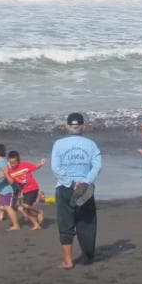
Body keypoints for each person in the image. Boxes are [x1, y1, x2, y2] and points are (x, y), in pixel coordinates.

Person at [51, 113, 103, 269]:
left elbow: (55, 168)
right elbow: (97, 166)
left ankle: (68, 260)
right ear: (83, 127)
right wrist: (85, 181)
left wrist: (71, 182)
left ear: (67, 126)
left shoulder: (59, 144)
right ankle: (88, 256)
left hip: (65, 187)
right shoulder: (91, 144)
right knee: (86, 222)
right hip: (84, 189)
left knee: (65, 223)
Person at [6, 150, 46, 230]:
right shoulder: (9, 170)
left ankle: (39, 211)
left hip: (33, 188)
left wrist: (41, 164)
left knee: (24, 206)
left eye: (14, 163)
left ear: (18, 161)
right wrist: (6, 173)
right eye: (11, 163)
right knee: (25, 210)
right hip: (24, 191)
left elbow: (35, 167)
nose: (12, 165)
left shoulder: (24, 165)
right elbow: (11, 182)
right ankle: (36, 224)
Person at [0, 142, 21, 230]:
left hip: (8, 188)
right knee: (2, 207)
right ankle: (23, 210)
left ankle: (16, 225)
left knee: (7, 206)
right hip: (2, 189)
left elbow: (5, 173)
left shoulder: (1, 161)